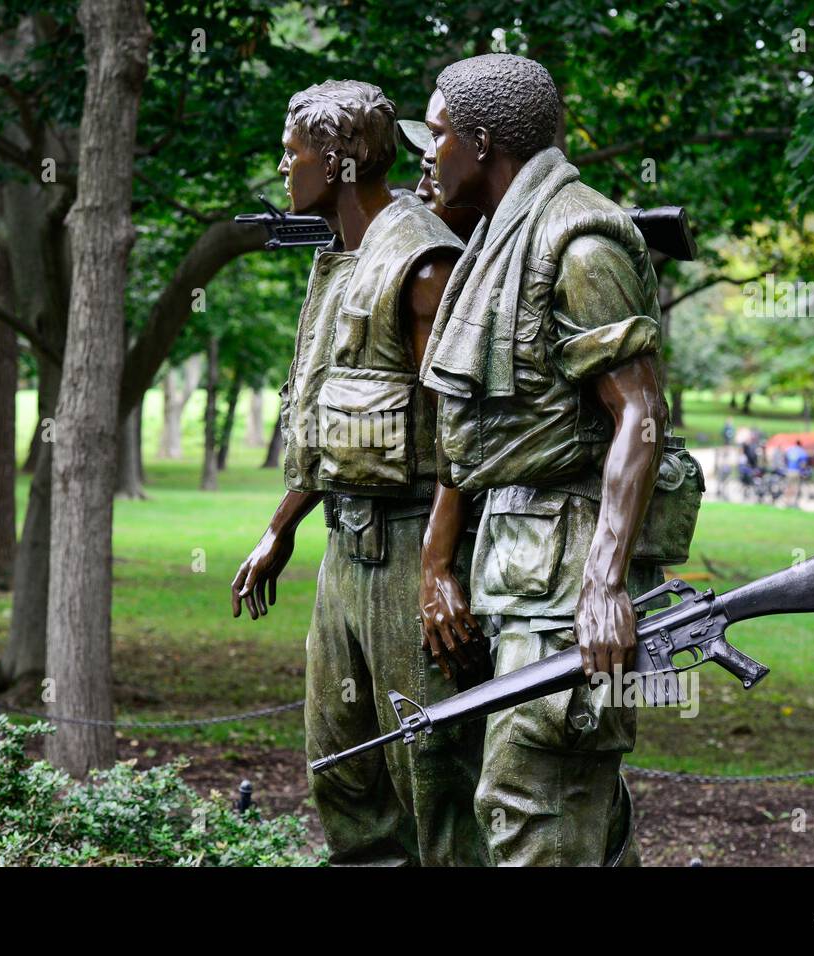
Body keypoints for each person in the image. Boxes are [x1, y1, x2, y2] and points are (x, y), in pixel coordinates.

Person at [417, 54, 686, 866]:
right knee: (571, 816)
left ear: (483, 141)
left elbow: (639, 411)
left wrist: (605, 583)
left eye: (438, 136)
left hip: (569, 576)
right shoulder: (503, 234)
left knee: (531, 803)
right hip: (527, 561)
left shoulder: (579, 241)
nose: (426, 153)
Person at [230, 80, 488, 866]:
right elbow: (338, 430)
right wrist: (280, 530)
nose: (284, 164)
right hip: (345, 552)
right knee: (342, 771)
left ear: (338, 160)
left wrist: (439, 567)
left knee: (432, 778)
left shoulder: (420, 265)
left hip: (411, 547)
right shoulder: (342, 259)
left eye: (295, 150)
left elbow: (463, 433)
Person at [784, 439, 808, 508]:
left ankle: (787, 501)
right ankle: (793, 502)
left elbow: (786, 459)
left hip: (789, 470)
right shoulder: (802, 452)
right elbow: (803, 464)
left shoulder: (790, 450)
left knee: (788, 487)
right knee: (795, 487)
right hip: (797, 471)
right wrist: (803, 471)